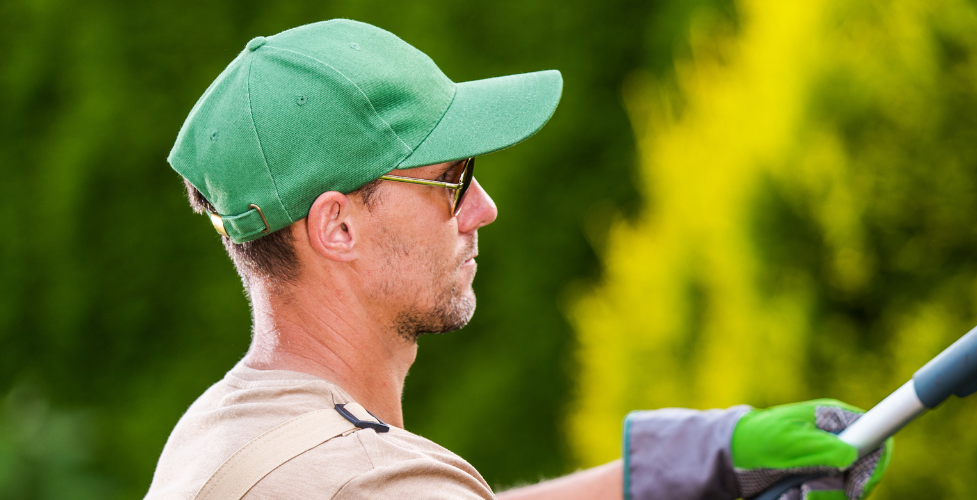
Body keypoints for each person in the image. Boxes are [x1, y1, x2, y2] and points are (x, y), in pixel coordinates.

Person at [143, 19, 888, 500]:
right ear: (338, 227)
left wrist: (690, 463)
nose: (482, 208)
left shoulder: (219, 435)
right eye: (449, 180)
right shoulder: (364, 480)